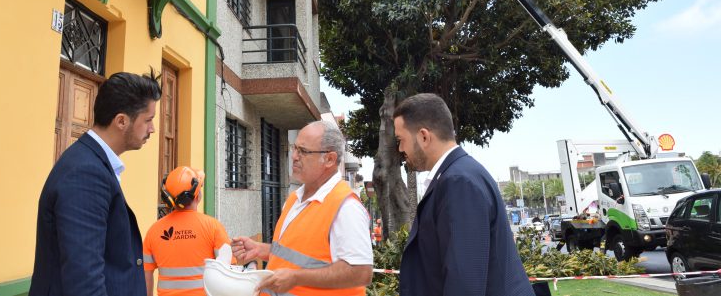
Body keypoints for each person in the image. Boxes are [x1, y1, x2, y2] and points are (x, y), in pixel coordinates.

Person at [29, 71, 161, 296]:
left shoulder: (94, 165)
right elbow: (84, 282)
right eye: (148, 120)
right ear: (121, 121)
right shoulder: (85, 174)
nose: (152, 129)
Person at [393, 93, 534, 296]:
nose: (400, 148)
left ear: (424, 136)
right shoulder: (460, 174)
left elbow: (463, 280)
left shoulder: (458, 182)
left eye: (401, 140)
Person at [231, 120, 373, 295]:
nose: (294, 156)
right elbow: (295, 254)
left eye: (303, 151)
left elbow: (360, 273)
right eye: (295, 148)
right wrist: (260, 249)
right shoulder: (294, 199)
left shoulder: (346, 208)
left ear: (329, 159)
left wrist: (297, 277)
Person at [143, 166, 232, 296]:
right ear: (197, 195)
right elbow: (228, 272)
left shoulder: (154, 231)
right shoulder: (213, 227)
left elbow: (145, 275)